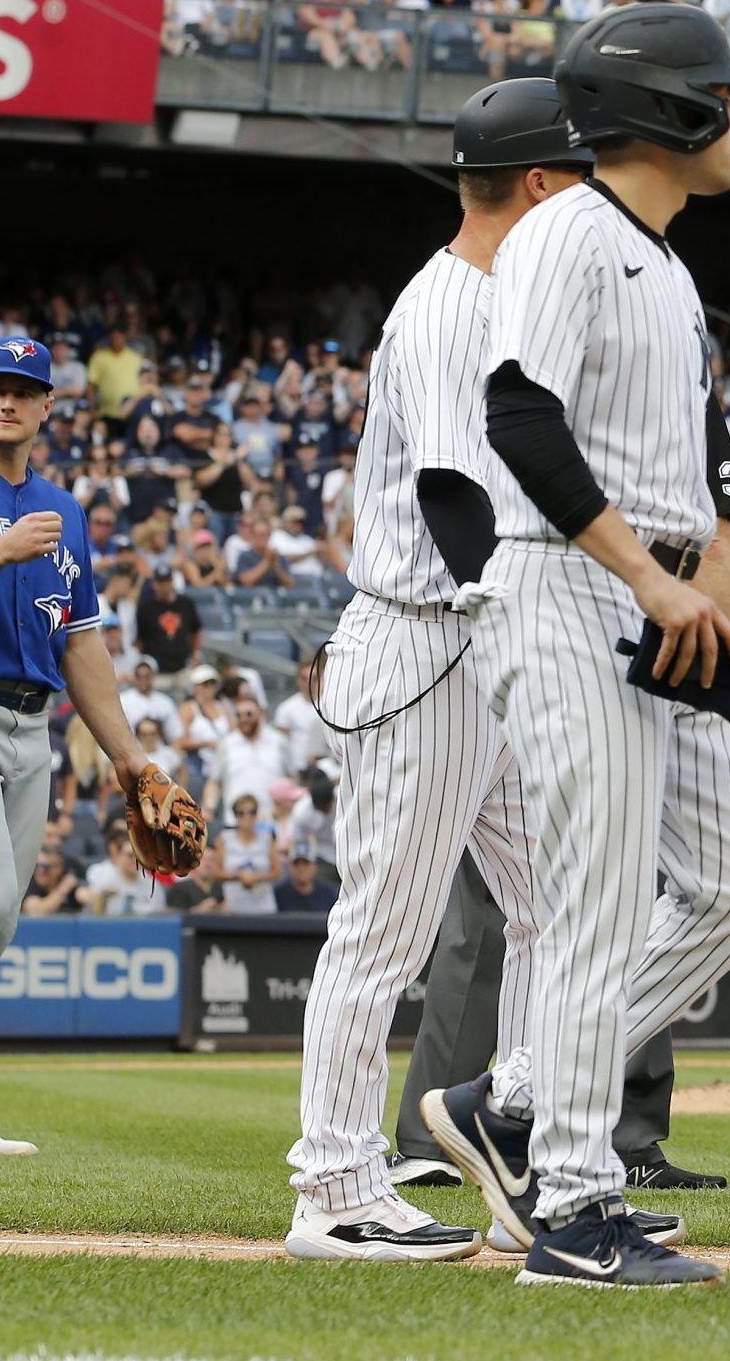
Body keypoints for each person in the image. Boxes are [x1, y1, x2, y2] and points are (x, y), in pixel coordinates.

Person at [419, 6, 730, 1291]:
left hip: (659, 599)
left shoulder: (663, 259)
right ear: (666, 111)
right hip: (568, 588)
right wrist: (645, 577)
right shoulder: (569, 228)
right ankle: (571, 1208)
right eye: (722, 95)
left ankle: (512, 1098)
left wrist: (710, 604)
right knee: (593, 907)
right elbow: (520, 414)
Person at [284, 79, 585, 1265]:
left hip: (472, 641)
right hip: (429, 639)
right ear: (542, 183)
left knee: (561, 906)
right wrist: (531, 636)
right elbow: (461, 504)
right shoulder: (455, 307)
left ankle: (523, 1143)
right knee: (383, 932)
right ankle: (335, 1187)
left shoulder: (497, 290)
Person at [0, 335, 187, 1158]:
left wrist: (129, 755)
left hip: (32, 726)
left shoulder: (63, 508)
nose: (5, 400)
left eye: (21, 389)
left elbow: (81, 646)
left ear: (46, 406)